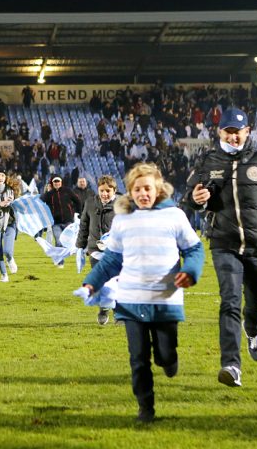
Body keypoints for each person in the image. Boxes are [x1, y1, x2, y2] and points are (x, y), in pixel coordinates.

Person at [79, 163, 204, 423]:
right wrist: (92, 283)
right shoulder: (123, 219)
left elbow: (194, 249)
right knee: (138, 358)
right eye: (137, 189)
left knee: (165, 355)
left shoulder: (175, 216)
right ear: (130, 191)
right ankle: (145, 409)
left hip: (165, 299)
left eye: (147, 188)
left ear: (157, 188)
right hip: (131, 299)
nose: (143, 193)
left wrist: (190, 271)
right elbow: (111, 259)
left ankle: (169, 360)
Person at [184, 108, 257, 388]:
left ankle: (253, 331)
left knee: (256, 302)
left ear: (248, 132)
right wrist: (196, 199)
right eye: (228, 131)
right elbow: (190, 196)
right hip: (224, 243)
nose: (233, 137)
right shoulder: (207, 161)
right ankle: (231, 366)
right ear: (219, 132)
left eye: (238, 132)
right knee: (230, 300)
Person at [76, 174, 119, 325]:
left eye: (108, 190)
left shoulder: (122, 205)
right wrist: (80, 247)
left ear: (114, 190)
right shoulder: (90, 203)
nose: (104, 194)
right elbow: (83, 225)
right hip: (95, 250)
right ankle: (104, 308)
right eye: (102, 190)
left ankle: (118, 313)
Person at [40, 175, 83, 249]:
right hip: (55, 223)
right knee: (59, 242)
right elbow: (40, 202)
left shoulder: (67, 191)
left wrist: (78, 213)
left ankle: (73, 255)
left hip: (68, 222)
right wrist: (47, 191)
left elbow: (78, 201)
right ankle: (60, 260)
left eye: (58, 181)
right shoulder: (49, 194)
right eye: (55, 181)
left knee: (70, 242)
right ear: (52, 183)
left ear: (61, 182)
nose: (57, 183)